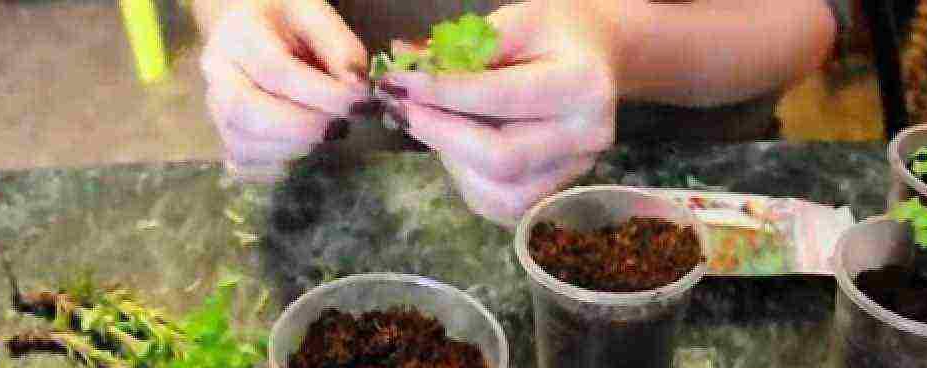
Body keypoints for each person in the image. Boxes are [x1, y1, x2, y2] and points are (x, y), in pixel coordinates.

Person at [193, 0, 848, 226]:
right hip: (354, 200)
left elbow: (814, 17)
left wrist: (617, 43)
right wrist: (244, 27)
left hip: (670, 194)